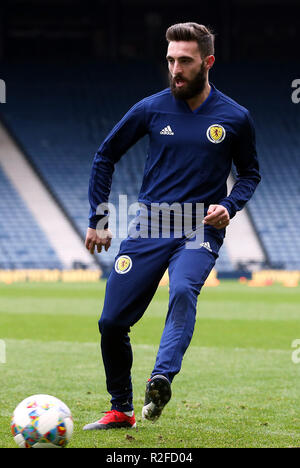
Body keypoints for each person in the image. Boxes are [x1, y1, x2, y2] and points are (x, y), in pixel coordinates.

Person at [83, 22, 261, 430]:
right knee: (111, 322)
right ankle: (120, 409)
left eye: (185, 60)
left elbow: (250, 173)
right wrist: (99, 218)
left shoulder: (236, 117)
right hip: (149, 224)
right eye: (170, 60)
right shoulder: (151, 108)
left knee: (183, 289)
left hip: (199, 227)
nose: (175, 69)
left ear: (207, 62)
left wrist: (230, 206)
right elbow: (105, 155)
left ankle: (160, 377)